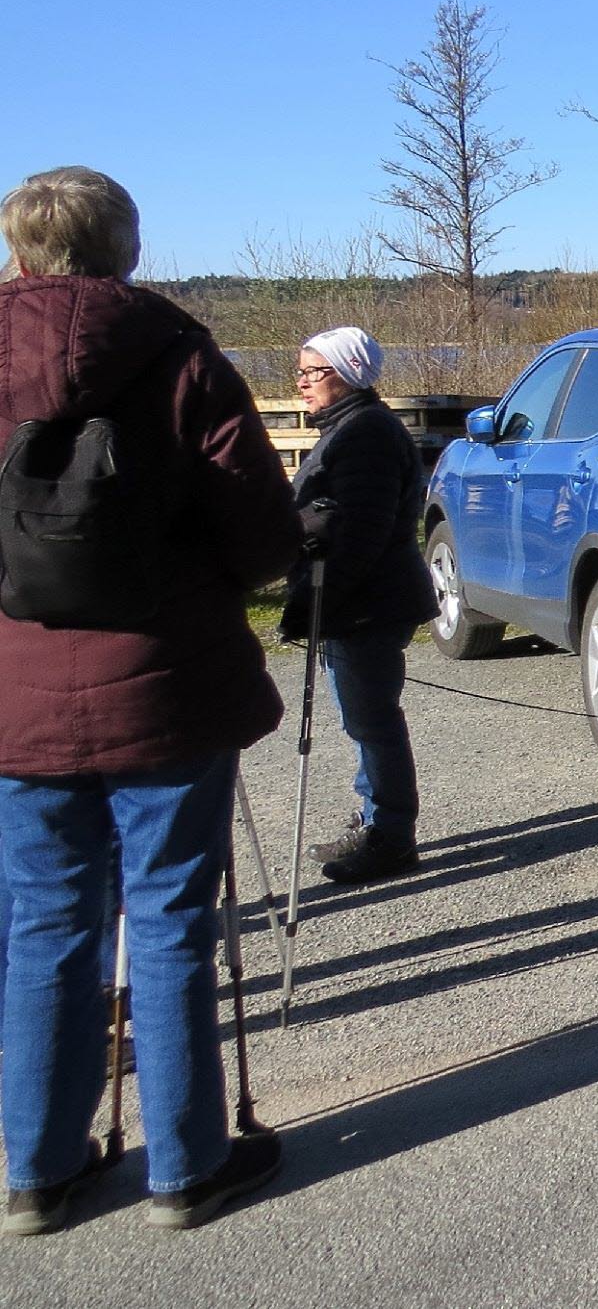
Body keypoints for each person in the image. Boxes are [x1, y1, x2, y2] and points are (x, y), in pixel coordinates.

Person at [0, 166, 299, 1234]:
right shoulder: (180, 356)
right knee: (171, 921)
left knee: (42, 923)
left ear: (22, 254)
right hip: (166, 689)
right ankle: (186, 1166)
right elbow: (263, 534)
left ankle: (36, 1173)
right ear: (128, 251)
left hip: (16, 701)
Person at [282, 327, 439, 886]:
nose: (301, 383)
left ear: (347, 373)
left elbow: (361, 534)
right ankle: (375, 818)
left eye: (312, 372)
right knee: (364, 721)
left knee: (372, 722)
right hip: (360, 599)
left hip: (367, 602)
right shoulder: (350, 426)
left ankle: (391, 838)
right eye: (299, 372)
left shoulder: (366, 432)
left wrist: (311, 605)